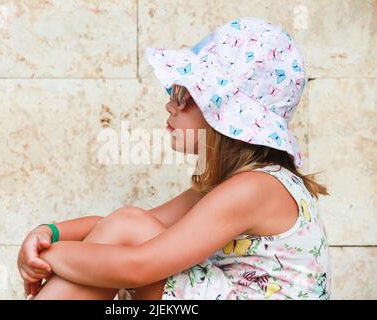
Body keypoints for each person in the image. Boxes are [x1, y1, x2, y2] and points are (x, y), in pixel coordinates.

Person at [17, 17, 331, 300]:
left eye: (183, 95)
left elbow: (138, 266)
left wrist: (50, 256)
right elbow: (112, 227)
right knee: (125, 226)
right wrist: (49, 232)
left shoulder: (255, 189)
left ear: (223, 115)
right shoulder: (236, 186)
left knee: (127, 232)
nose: (170, 106)